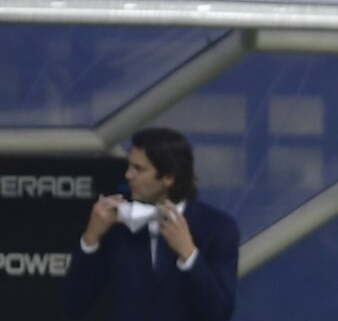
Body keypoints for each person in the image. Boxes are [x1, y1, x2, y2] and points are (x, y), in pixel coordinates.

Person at [62, 127, 239, 321]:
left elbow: (219, 312)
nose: (128, 175)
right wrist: (91, 239)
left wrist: (188, 254)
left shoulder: (218, 228)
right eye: (129, 166)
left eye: (139, 169)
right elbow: (73, 303)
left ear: (168, 177)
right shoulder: (114, 222)